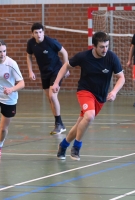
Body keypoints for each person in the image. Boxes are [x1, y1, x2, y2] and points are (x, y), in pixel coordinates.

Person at [51, 32, 125, 161]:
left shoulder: (111, 57)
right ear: (94, 46)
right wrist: (56, 82)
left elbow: (121, 78)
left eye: (107, 46)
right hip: (85, 92)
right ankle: (77, 147)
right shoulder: (83, 56)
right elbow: (65, 66)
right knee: (89, 116)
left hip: (100, 98)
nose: (105, 49)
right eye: (102, 47)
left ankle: (63, 145)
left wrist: (114, 92)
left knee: (81, 123)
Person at [26, 22, 69, 135]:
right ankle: (59, 124)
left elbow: (64, 52)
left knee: (52, 96)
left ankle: (59, 124)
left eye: (40, 32)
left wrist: (66, 68)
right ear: (32, 34)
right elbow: (28, 55)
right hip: (44, 73)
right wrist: (30, 71)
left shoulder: (50, 42)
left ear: (43, 32)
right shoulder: (31, 43)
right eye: (36, 32)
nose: (39, 34)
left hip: (56, 71)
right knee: (50, 99)